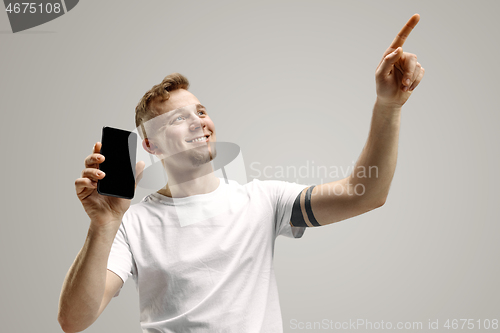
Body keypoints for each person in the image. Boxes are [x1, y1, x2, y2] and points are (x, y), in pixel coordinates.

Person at [57, 13, 425, 333]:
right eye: (178, 118)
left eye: (200, 112)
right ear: (150, 145)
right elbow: (74, 320)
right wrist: (102, 225)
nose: (198, 122)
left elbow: (365, 194)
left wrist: (388, 106)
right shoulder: (131, 224)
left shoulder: (263, 201)